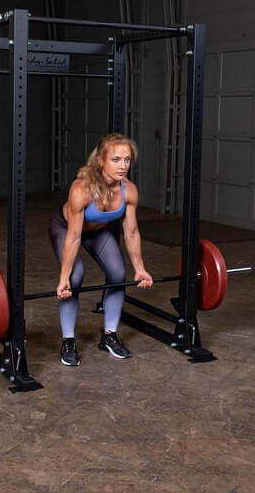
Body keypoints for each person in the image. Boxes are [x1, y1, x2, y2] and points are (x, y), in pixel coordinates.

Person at [47, 133, 153, 366]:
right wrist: (63, 278)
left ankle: (109, 335)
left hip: (98, 232)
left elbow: (132, 232)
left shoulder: (129, 191)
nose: (123, 166)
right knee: (75, 277)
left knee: (117, 274)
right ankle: (68, 340)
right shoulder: (81, 189)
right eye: (116, 159)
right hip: (67, 229)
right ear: (100, 161)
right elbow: (74, 237)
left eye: (127, 160)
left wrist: (140, 269)